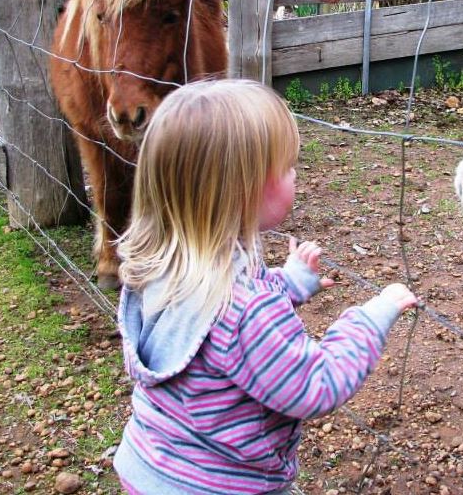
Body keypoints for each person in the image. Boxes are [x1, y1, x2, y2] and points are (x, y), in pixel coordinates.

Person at [113, 79, 418, 494]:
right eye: (289, 166)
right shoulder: (243, 310)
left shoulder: (163, 265)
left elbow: (224, 312)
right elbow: (315, 385)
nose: (296, 174)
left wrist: (289, 282)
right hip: (221, 486)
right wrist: (370, 319)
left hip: (149, 467)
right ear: (244, 188)